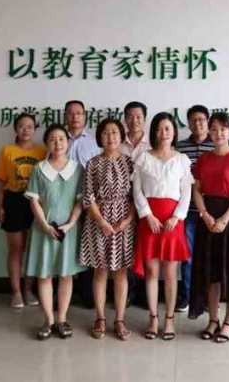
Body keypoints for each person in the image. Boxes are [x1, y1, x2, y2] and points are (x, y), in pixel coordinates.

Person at [190, 112, 229, 343]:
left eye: (222, 129)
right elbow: (197, 190)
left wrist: (224, 219)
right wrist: (205, 215)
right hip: (208, 218)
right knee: (211, 273)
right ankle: (213, 319)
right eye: (214, 129)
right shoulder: (204, 159)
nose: (218, 133)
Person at [133, 112, 192, 340]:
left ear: (174, 131)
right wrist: (147, 215)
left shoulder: (182, 160)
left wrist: (176, 217)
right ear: (153, 132)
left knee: (170, 272)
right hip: (150, 220)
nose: (163, 133)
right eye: (159, 129)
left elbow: (186, 192)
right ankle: (153, 318)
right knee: (151, 271)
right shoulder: (143, 158)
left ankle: (168, 319)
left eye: (167, 128)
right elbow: (137, 191)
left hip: (172, 222)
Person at [24, 124, 87, 340]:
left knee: (66, 274)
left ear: (68, 142)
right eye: (52, 139)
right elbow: (34, 201)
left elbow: (80, 202)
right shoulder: (39, 169)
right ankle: (49, 320)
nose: (57, 143)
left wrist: (69, 225)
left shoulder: (78, 169)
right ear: (46, 143)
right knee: (45, 275)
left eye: (61, 138)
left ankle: (62, 318)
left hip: (68, 231)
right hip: (44, 230)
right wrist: (44, 226)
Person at [79, 118, 136, 341]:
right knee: (100, 271)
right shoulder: (92, 163)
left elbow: (136, 196)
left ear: (121, 136)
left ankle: (119, 319)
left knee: (121, 272)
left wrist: (127, 221)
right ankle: (100, 318)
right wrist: (102, 221)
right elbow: (88, 197)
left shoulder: (130, 162)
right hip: (98, 222)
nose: (110, 137)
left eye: (114, 132)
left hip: (124, 223)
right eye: (105, 133)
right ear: (100, 137)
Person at [0, 113, 46, 308]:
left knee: (33, 248)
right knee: (16, 248)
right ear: (15, 129)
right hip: (13, 200)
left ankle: (28, 290)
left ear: (35, 129)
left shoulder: (42, 151)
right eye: (22, 126)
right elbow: (0, 181)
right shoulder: (7, 151)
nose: (26, 129)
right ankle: (15, 292)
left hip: (36, 201)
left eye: (30, 126)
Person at [175, 105, 214, 314]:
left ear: (207, 122)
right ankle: (187, 296)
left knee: (209, 255)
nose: (198, 123)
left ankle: (207, 298)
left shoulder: (216, 145)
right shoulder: (180, 148)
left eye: (201, 119)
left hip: (212, 211)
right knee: (188, 256)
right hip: (187, 211)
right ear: (188, 124)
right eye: (193, 120)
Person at [64, 100, 101, 308]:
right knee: (66, 245)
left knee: (87, 246)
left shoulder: (95, 142)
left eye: (78, 113)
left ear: (85, 116)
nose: (74, 117)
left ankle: (87, 294)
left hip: (88, 202)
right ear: (65, 116)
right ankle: (64, 293)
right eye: (70, 113)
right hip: (64, 202)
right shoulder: (59, 139)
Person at [121, 101, 151, 308]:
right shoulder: (117, 142)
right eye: (130, 117)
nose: (134, 120)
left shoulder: (153, 143)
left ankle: (144, 292)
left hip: (148, 202)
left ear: (145, 119)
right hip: (123, 202)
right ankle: (129, 292)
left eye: (138, 116)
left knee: (145, 247)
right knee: (128, 248)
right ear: (125, 119)